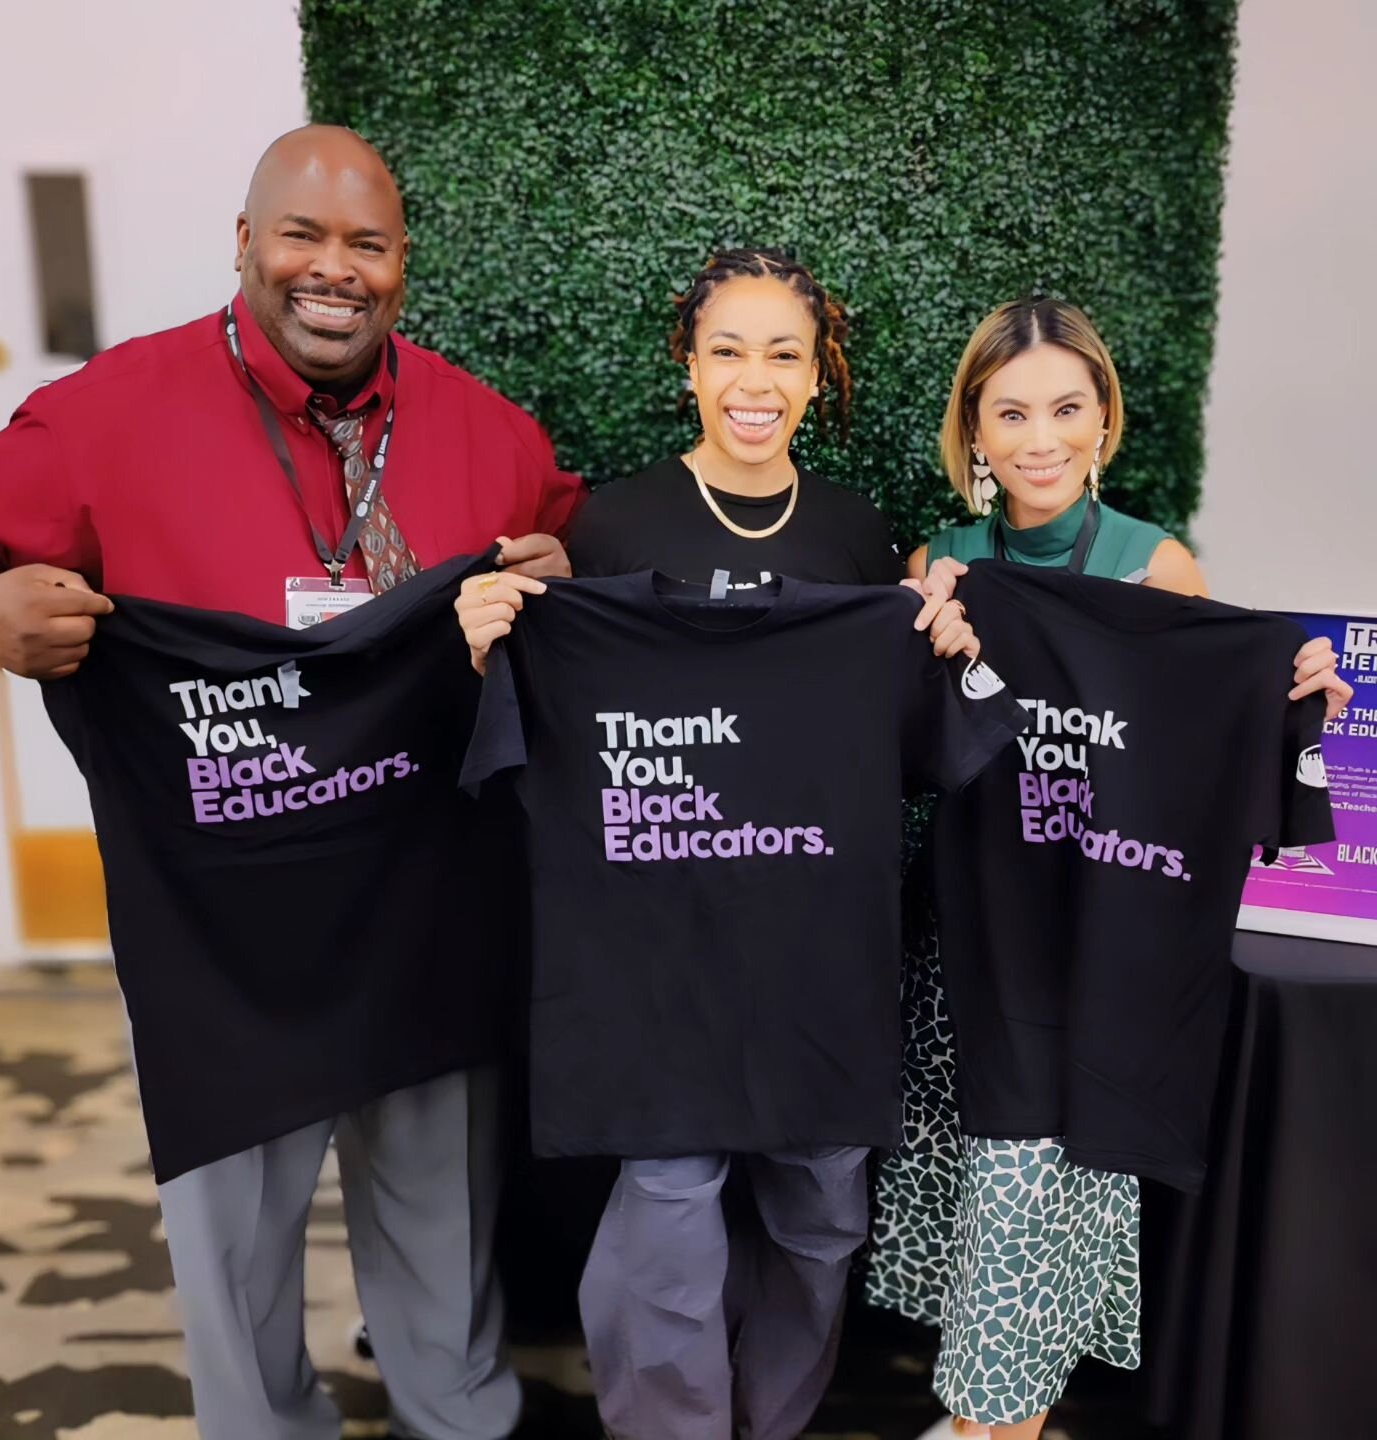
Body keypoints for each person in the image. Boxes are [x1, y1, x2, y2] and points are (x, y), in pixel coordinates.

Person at [0, 125, 583, 1440]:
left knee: (444, 1250)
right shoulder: (103, 417)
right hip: (222, 949)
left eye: (367, 245)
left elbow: (562, 550)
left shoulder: (490, 434)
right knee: (233, 1272)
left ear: (404, 265)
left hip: (428, 922)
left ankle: (458, 1417)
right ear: (245, 244)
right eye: (301, 234)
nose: (331, 268)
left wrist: (556, 591)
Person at [456, 248, 978, 1440]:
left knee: (822, 1214)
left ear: (817, 374)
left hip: (820, 952)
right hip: (660, 957)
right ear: (688, 366)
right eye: (728, 350)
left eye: (783, 353)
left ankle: (775, 1422)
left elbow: (897, 738)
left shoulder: (854, 536)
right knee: (670, 1217)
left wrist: (941, 648)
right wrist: (491, 640)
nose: (756, 378)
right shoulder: (614, 525)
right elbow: (554, 718)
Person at [871, 296, 1351, 1440]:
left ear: (1104, 421)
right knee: (986, 1210)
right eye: (1012, 413)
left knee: (1040, 1195)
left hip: (1098, 946)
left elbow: (1204, 715)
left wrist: (1292, 693)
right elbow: (890, 746)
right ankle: (992, 1421)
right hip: (969, 936)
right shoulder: (943, 563)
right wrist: (915, 645)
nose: (1041, 438)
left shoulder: (1156, 566)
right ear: (974, 436)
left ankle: (996, 1423)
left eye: (1066, 409)